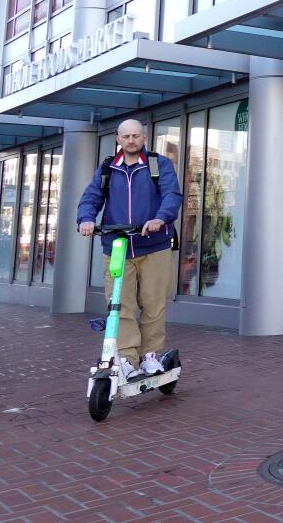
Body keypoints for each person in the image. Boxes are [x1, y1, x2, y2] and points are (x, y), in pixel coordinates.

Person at [78, 119, 182, 381]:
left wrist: (160, 218)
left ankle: (150, 357)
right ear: (118, 139)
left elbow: (172, 195)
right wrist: (86, 219)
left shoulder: (159, 164)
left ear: (144, 138)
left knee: (153, 304)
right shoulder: (107, 169)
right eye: (126, 136)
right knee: (118, 305)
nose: (131, 140)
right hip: (117, 246)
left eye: (136, 136)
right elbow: (91, 197)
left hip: (154, 245)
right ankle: (126, 358)